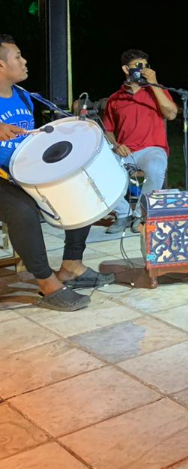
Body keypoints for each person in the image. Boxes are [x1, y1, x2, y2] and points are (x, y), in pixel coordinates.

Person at [0, 34, 114, 311]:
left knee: (77, 186)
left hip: (23, 173)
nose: (24, 61)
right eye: (18, 57)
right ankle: (47, 284)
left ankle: (72, 267)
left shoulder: (23, 96)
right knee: (23, 210)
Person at [103, 49, 177, 234]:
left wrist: (154, 84)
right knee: (98, 173)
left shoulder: (156, 91)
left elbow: (171, 114)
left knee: (156, 169)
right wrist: (116, 145)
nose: (143, 69)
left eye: (146, 66)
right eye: (138, 66)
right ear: (126, 69)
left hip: (152, 148)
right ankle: (123, 213)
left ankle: (140, 215)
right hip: (125, 151)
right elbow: (108, 131)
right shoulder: (115, 99)